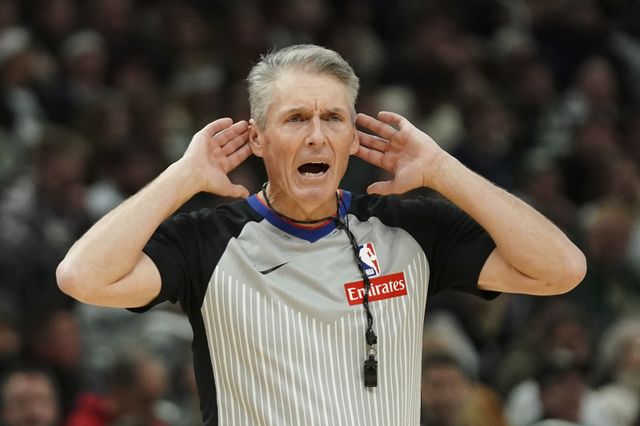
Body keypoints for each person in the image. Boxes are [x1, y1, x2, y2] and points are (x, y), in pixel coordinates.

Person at [56, 44, 586, 425]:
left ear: (353, 137)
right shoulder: (207, 242)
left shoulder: (409, 230)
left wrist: (443, 170)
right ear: (257, 139)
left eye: (333, 118)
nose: (316, 135)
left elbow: (561, 270)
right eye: (295, 119)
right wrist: (182, 177)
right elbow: (82, 277)